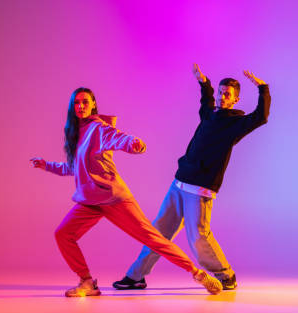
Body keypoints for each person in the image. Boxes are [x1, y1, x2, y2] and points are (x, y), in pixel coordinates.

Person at [30, 87, 222, 297]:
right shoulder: (76, 133)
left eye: (85, 102)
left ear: (93, 104)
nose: (81, 106)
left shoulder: (98, 128)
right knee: (63, 234)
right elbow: (74, 168)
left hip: (114, 199)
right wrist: (46, 165)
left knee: (153, 239)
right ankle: (87, 282)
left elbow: (119, 138)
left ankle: (197, 274)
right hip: (90, 201)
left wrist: (134, 144)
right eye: (77, 103)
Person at [113, 64, 270, 291]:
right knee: (157, 232)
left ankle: (226, 276)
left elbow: (261, 117)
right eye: (220, 92)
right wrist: (204, 83)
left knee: (199, 238)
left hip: (201, 189)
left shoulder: (236, 124)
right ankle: (136, 276)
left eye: (227, 95)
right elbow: (205, 102)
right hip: (179, 183)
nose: (222, 97)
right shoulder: (209, 114)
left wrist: (262, 88)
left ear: (235, 100)